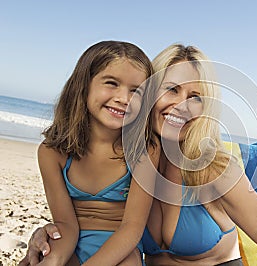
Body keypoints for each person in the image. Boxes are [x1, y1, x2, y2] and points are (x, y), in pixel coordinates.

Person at [20, 44, 257, 265]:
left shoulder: (213, 167)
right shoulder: (125, 160)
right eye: (171, 89)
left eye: (196, 96)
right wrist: (44, 235)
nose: (182, 105)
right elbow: (86, 219)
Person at [26, 40, 159, 265]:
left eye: (136, 91)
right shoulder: (51, 152)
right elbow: (65, 225)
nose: (124, 99)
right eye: (111, 83)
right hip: (72, 240)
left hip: (121, 248)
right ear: (83, 85)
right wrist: (54, 260)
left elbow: (132, 228)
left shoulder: (144, 151)